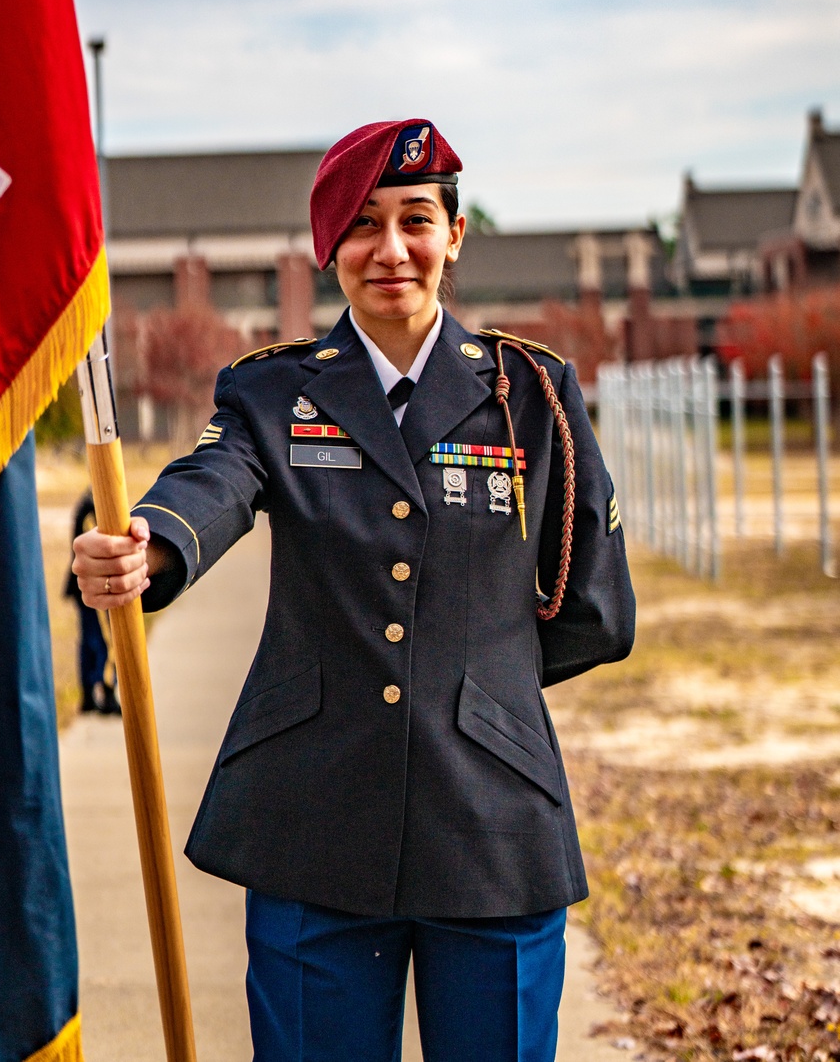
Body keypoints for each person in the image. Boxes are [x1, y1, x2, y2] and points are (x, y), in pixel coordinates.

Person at [73, 118, 635, 1062]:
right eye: (364, 225)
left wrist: (477, 687)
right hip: (311, 820)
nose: (393, 249)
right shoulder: (272, 393)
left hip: (492, 821)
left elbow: (594, 608)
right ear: (328, 247)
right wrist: (152, 545)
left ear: (455, 235)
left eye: (417, 219)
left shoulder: (531, 394)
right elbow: (212, 483)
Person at [65, 490, 121, 715]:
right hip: (94, 584)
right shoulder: (93, 506)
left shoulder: (88, 502)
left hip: (84, 585)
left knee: (90, 641)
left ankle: (88, 695)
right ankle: (105, 693)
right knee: (105, 642)